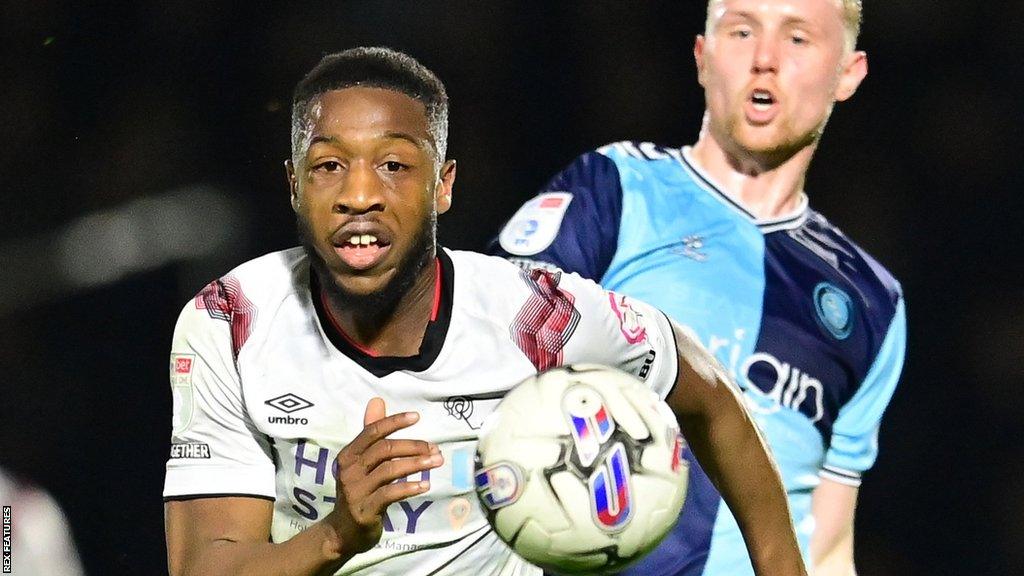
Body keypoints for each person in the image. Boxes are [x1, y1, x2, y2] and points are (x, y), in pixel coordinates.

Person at [162, 47, 806, 576]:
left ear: (442, 185)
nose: (359, 194)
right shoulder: (231, 322)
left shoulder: (539, 317)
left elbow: (711, 396)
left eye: (393, 165)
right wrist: (336, 534)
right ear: (294, 186)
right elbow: (204, 568)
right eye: (329, 165)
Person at [490, 1, 905, 575]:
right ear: (702, 56)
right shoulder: (615, 190)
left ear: (848, 73)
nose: (764, 59)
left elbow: (829, 549)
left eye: (798, 38)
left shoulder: (872, 301)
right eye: (741, 31)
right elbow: (473, 357)